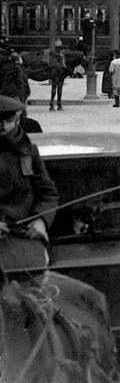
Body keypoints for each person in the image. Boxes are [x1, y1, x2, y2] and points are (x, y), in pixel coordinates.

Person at [0, 94, 58, 265]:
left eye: (7, 120)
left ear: (16, 119)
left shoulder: (28, 151)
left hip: (23, 233)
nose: (2, 126)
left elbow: (48, 194)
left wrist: (41, 221)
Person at [46, 41, 66, 111]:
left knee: (59, 89)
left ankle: (58, 104)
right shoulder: (53, 56)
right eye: (58, 48)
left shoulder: (61, 55)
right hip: (56, 74)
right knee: (54, 89)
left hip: (60, 74)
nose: (59, 50)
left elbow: (64, 64)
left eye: (60, 48)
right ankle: (53, 104)